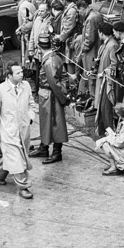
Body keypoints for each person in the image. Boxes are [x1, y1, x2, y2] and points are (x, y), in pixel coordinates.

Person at [0, 64, 39, 200]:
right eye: (17, 73)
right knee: (17, 159)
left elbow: (31, 103)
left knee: (17, 156)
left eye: (22, 72)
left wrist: (30, 117)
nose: (21, 75)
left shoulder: (26, 86)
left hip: (23, 130)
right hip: (7, 131)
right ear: (9, 76)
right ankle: (24, 187)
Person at [29, 33, 69, 164]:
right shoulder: (54, 57)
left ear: (39, 48)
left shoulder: (49, 62)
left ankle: (57, 152)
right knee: (48, 122)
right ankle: (44, 147)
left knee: (55, 123)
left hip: (50, 96)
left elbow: (54, 83)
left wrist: (62, 99)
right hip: (48, 95)